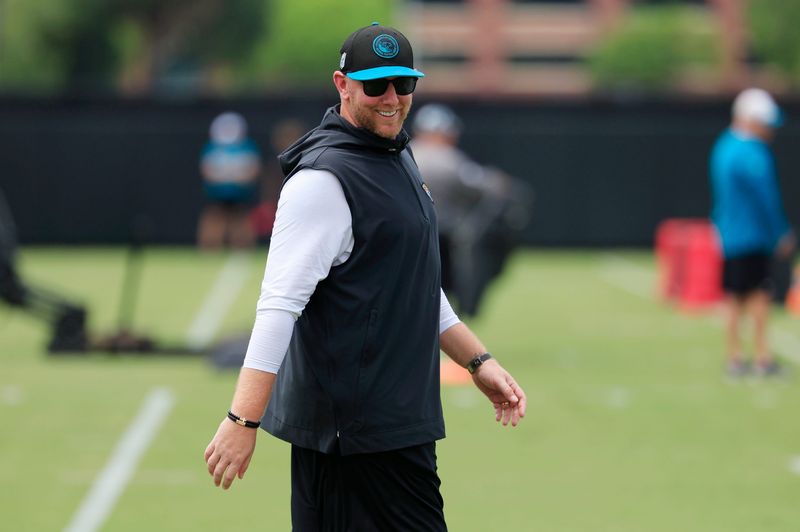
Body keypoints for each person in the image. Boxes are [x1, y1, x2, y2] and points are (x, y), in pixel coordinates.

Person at [203, 23, 526, 530]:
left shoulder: (397, 155)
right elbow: (279, 306)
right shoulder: (322, 180)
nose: (392, 98)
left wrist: (477, 360)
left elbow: (415, 287)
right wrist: (242, 420)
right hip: (350, 440)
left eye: (404, 83)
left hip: (399, 428)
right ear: (343, 85)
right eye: (376, 85)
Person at [410, 103, 534, 317]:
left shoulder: (404, 154)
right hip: (440, 238)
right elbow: (486, 184)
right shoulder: (448, 158)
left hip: (405, 236)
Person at [709, 88, 794, 378]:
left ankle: (735, 356)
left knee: (734, 296)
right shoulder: (752, 152)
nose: (770, 130)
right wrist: (779, 232)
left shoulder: (724, 145)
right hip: (751, 236)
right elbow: (766, 199)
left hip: (729, 234)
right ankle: (761, 356)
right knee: (758, 295)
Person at [196, 111, 262, 249]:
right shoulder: (212, 147)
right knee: (215, 218)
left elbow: (253, 169)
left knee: (240, 219)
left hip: (240, 192)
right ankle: (210, 249)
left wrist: (237, 178)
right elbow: (207, 170)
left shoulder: (247, 146)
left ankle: (242, 249)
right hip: (217, 193)